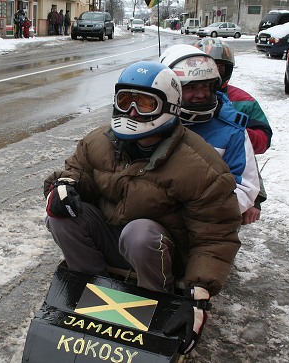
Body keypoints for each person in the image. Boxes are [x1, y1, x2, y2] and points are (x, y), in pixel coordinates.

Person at [44, 61, 242, 355]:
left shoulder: (200, 165)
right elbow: (76, 173)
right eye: (126, 101)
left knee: (140, 233)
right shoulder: (97, 141)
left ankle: (156, 303)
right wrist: (63, 188)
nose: (132, 112)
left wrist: (198, 295)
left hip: (161, 255)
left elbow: (215, 235)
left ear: (169, 107)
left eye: (145, 103)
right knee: (61, 216)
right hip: (114, 241)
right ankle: (93, 286)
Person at [160, 45, 260, 225]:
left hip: (209, 223)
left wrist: (194, 208)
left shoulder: (231, 129)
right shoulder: (154, 120)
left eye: (206, 86)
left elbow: (246, 187)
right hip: (155, 216)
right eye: (191, 87)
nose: (201, 94)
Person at [194, 37, 273, 222]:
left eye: (220, 68)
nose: (199, 94)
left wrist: (234, 132)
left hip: (228, 174)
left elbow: (261, 142)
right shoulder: (179, 95)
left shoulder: (244, 101)